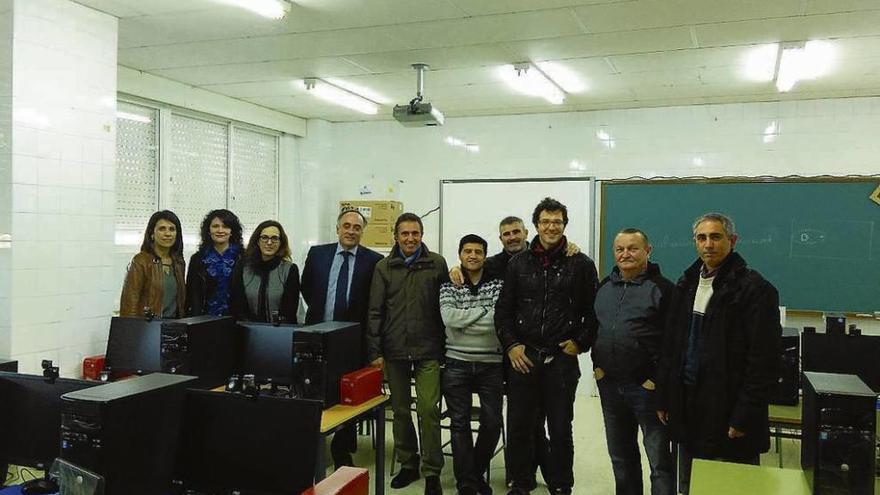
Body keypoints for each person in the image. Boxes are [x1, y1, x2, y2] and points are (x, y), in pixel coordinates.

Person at [655, 213, 781, 493]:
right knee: (689, 483)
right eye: (702, 238)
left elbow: (764, 362)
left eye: (715, 237)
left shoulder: (755, 290)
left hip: (728, 409)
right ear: (694, 243)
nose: (708, 244)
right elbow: (671, 347)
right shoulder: (686, 284)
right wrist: (665, 396)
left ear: (732, 241)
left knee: (730, 486)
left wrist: (743, 415)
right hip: (688, 405)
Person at [495, 198, 598, 495]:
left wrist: (579, 342)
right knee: (518, 426)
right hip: (523, 358)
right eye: (545, 222)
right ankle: (521, 481)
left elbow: (593, 312)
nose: (551, 227)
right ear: (536, 226)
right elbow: (503, 311)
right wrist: (512, 346)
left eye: (557, 222)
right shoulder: (518, 263)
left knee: (560, 427)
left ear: (564, 225)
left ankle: (561, 483)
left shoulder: (581, 264)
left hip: (560, 361)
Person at [366, 212, 448, 495]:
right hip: (394, 350)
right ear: (396, 236)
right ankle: (408, 463)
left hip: (428, 350)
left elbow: (446, 307)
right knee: (400, 411)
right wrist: (375, 351)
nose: (410, 239)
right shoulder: (384, 267)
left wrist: (445, 349)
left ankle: (432, 471)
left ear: (422, 235)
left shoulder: (436, 264)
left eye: (415, 233)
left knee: (428, 410)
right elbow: (375, 312)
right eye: (405, 234)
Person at [592, 228, 674, 495]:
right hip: (611, 386)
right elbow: (595, 329)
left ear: (647, 251)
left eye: (633, 248)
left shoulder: (664, 289)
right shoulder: (604, 286)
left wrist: (655, 380)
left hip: (646, 390)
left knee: (659, 462)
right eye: (620, 249)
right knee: (621, 458)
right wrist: (598, 367)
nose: (625, 254)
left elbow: (673, 343)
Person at [300, 208, 383, 469]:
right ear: (337, 229)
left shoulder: (374, 261)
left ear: (362, 231)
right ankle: (313, 446)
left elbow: (373, 300)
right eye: (346, 226)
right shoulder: (318, 254)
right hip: (317, 336)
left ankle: (341, 450)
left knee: (347, 396)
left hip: (351, 340)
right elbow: (307, 286)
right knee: (313, 390)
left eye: (356, 227)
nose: (350, 231)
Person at [440, 234, 504, 495]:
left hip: (491, 363)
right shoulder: (448, 284)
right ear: (460, 254)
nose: (473, 255)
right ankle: (467, 483)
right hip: (456, 362)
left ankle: (475, 472)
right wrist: (483, 311)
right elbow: (449, 319)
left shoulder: (498, 284)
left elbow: (497, 321)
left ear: (485, 256)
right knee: (459, 423)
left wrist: (466, 318)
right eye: (468, 251)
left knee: (492, 422)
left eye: (478, 251)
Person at [230, 220, 300, 323]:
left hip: (280, 332)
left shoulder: (290, 269)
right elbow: (237, 305)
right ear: (257, 241)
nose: (269, 242)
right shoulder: (243, 268)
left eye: (275, 238)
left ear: (281, 242)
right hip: (246, 330)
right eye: (264, 237)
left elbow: (289, 310)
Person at [120, 210, 186, 319]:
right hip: (148, 329)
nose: (168, 233)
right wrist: (131, 332)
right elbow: (130, 303)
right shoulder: (141, 261)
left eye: (172, 229)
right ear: (152, 233)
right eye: (162, 229)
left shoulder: (179, 263)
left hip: (174, 329)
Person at [185, 209, 244, 316]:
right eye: (215, 226)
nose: (220, 230)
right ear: (208, 230)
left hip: (235, 321)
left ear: (232, 231)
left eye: (225, 226)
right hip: (204, 321)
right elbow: (191, 294)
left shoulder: (243, 258)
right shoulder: (197, 259)